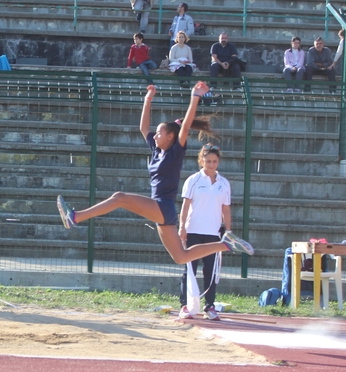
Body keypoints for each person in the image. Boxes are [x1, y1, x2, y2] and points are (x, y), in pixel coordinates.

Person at [56, 82, 253, 265]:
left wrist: (195, 97)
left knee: (119, 197)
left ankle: (75, 217)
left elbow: (185, 127)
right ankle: (227, 244)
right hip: (161, 210)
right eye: (156, 133)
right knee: (181, 257)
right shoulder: (157, 150)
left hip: (162, 206)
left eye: (159, 133)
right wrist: (147, 99)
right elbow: (143, 128)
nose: (155, 135)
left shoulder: (175, 152)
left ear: (170, 137)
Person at [177, 144, 232, 321]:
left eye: (215, 161)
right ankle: (185, 306)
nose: (211, 164)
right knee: (190, 270)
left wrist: (228, 232)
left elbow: (226, 209)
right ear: (201, 161)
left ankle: (209, 306)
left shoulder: (224, 183)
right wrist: (182, 227)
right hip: (193, 231)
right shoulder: (193, 180)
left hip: (213, 235)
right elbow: (185, 206)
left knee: (211, 271)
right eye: (208, 161)